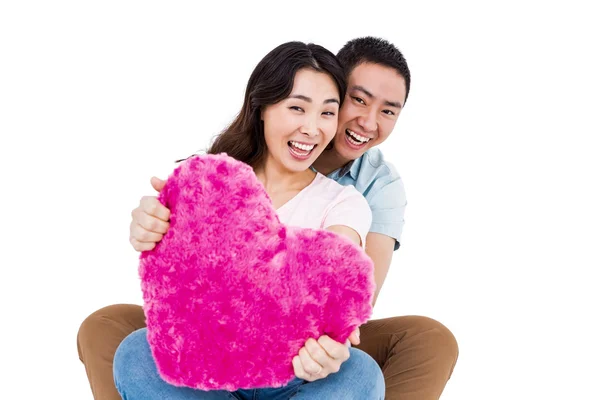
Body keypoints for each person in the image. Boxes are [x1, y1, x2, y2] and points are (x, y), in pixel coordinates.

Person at [78, 36, 459, 400]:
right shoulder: (216, 177)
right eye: (357, 101)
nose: (367, 121)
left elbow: (348, 291)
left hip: (298, 359)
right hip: (214, 348)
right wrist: (152, 227)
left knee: (365, 371)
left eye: (324, 111)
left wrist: (333, 336)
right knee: (126, 345)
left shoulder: (361, 195)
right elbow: (180, 276)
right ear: (263, 106)